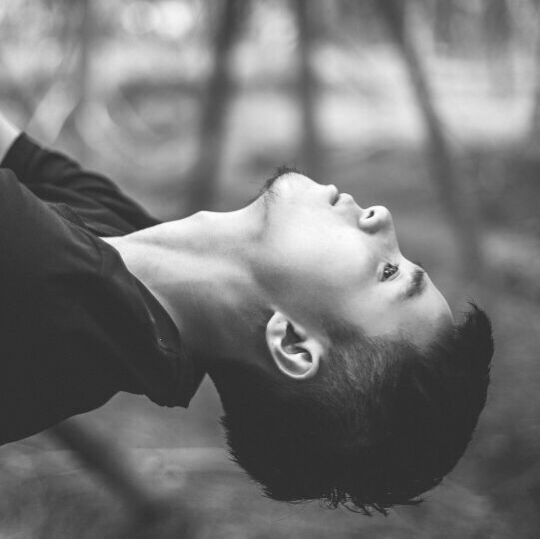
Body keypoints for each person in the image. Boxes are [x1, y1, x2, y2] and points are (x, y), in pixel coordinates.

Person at [0, 112, 493, 515]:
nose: (381, 216)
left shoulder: (37, 283)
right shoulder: (124, 239)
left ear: (293, 342)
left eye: (387, 272)